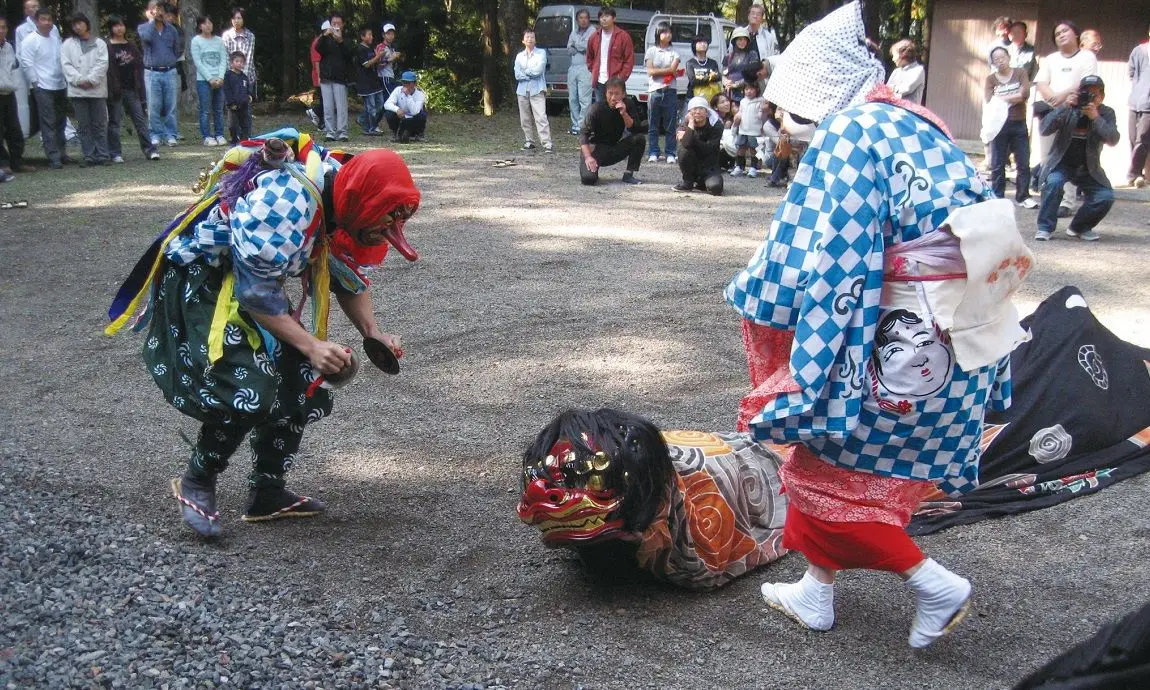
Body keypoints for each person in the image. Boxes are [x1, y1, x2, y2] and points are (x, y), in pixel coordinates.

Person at [728, 1, 1028, 649]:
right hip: (964, 317)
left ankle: (931, 582)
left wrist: (772, 301)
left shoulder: (851, 132)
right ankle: (816, 591)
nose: (800, 118)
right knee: (855, 468)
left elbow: (831, 253)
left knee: (829, 462)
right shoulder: (918, 122)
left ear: (821, 88)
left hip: (907, 327)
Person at [106, 132, 422, 537]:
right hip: (206, 280)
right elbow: (255, 295)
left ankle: (267, 492)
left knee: (298, 381)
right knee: (246, 389)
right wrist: (310, 344)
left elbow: (344, 271)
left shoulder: (345, 191)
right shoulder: (286, 207)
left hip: (254, 283)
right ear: (365, 204)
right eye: (385, 222)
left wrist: (372, 332)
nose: (389, 232)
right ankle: (197, 480)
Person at [1036, 75, 1119, 242]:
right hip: (1061, 164)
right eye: (1085, 93)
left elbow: (1113, 139)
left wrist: (1095, 117)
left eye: (1094, 95)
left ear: (1102, 97)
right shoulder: (1069, 108)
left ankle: (1078, 227)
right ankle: (1045, 228)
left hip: (1089, 167)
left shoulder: (1106, 113)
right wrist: (1064, 106)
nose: (1088, 98)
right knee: (1053, 183)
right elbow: (1044, 129)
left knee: (1105, 196)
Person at [1033, 21, 1098, 215]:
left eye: (1065, 31)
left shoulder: (1087, 57)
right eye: (1057, 33)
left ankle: (1067, 202)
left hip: (1076, 114)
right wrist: (1058, 98)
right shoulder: (1051, 59)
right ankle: (1048, 196)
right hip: (1051, 114)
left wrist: (1059, 97)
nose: (1061, 35)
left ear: (1076, 34)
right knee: (1046, 157)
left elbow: (1086, 84)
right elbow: (1042, 85)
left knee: (1068, 157)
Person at [18, 7, 69, 169]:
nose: (47, 23)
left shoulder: (55, 38)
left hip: (60, 85)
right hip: (43, 86)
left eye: (49, 20)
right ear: (37, 21)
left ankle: (62, 153)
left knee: (61, 121)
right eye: (43, 19)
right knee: (48, 122)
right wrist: (35, 83)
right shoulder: (30, 40)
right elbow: (26, 63)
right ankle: (53, 156)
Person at [985, 46, 1035, 208]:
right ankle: (997, 196)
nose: (1000, 61)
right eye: (996, 59)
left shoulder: (1020, 73)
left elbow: (1024, 94)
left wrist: (1002, 98)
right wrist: (1011, 97)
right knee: (998, 163)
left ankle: (1023, 196)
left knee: (1023, 161)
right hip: (999, 125)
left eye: (1002, 57)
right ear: (992, 62)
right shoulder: (991, 79)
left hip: (1018, 122)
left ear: (1009, 57)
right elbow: (989, 100)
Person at [106, 16, 158, 163]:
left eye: (121, 25)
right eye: (115, 26)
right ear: (111, 28)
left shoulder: (131, 45)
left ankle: (150, 150)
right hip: (116, 90)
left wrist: (140, 88)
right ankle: (115, 153)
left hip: (132, 89)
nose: (119, 28)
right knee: (115, 122)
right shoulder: (107, 46)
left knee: (140, 120)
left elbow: (138, 67)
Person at [60, 12, 109, 167]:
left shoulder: (99, 43)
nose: (77, 26)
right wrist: (79, 80)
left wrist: (91, 80)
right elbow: (66, 65)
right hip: (78, 91)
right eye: (74, 24)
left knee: (99, 124)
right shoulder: (67, 44)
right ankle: (88, 155)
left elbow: (102, 64)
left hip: (97, 89)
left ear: (86, 24)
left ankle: (102, 154)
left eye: (80, 23)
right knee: (83, 125)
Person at [578, 77, 644, 185]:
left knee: (639, 139)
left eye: (617, 94)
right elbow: (583, 135)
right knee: (588, 180)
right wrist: (588, 157)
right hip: (595, 149)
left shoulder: (629, 105)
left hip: (613, 148)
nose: (613, 98)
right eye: (610, 93)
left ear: (623, 94)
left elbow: (635, 128)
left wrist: (624, 113)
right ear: (605, 93)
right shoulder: (596, 109)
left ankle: (628, 174)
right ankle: (593, 170)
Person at [138, 1, 182, 148]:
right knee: (153, 106)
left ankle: (171, 134)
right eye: (155, 9)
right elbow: (147, 38)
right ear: (149, 11)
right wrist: (151, 21)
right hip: (152, 72)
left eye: (161, 9)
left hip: (169, 71)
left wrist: (169, 61)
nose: (159, 12)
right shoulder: (144, 28)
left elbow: (177, 50)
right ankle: (155, 134)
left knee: (171, 105)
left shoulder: (172, 30)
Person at [0, 16, 31, 181]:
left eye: (3, 27)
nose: (1, 30)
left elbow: (12, 69)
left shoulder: (9, 47)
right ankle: (3, 163)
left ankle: (17, 161)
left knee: (14, 129)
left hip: (9, 92)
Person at [673, 96, 724, 195]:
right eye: (694, 109)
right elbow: (686, 144)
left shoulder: (716, 126)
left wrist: (692, 138)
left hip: (710, 166)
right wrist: (691, 124)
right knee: (683, 149)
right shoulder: (684, 124)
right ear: (689, 113)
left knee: (715, 188)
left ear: (707, 112)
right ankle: (688, 182)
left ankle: (702, 183)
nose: (698, 112)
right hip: (692, 164)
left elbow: (708, 149)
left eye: (701, 109)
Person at [645, 23, 679, 163]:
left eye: (669, 32)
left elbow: (673, 69)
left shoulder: (674, 52)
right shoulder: (651, 50)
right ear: (658, 34)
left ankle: (670, 152)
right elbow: (650, 72)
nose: (667, 35)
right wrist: (668, 70)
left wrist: (659, 71)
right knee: (653, 123)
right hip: (654, 90)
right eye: (664, 32)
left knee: (670, 124)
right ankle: (653, 151)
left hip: (670, 90)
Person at [316, 12, 353, 142]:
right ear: (330, 25)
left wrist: (340, 40)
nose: (336, 26)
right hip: (326, 77)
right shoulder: (326, 39)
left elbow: (350, 54)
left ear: (343, 25)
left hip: (340, 78)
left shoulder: (346, 39)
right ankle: (330, 132)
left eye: (338, 23)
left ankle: (342, 132)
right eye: (334, 23)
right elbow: (317, 49)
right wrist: (324, 35)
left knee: (342, 107)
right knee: (327, 107)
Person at [191, 16, 228, 147]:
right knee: (205, 110)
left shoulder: (219, 41)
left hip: (219, 79)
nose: (208, 25)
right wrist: (210, 78)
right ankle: (207, 136)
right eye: (204, 23)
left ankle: (219, 134)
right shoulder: (196, 41)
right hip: (203, 80)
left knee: (218, 109)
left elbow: (224, 59)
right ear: (200, 26)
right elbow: (198, 62)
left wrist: (221, 77)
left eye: (210, 23)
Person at [514, 29, 553, 153]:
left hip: (537, 89)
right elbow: (517, 74)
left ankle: (547, 143)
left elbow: (539, 70)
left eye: (532, 37)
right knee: (524, 117)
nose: (529, 39)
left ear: (535, 40)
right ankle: (529, 141)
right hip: (522, 90)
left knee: (541, 116)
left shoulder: (541, 53)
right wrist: (527, 74)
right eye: (527, 37)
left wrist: (526, 72)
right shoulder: (519, 56)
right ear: (523, 40)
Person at [585, 8, 634, 104]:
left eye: (607, 16)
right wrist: (594, 71)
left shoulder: (623, 36)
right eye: (601, 17)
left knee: (617, 110)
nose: (604, 19)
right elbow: (589, 58)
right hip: (599, 82)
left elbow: (629, 59)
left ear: (614, 18)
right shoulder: (594, 37)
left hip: (616, 81)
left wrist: (621, 77)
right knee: (601, 110)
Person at [1128, 24, 1150, 188]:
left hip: (1149, 105)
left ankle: (1133, 173)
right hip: (1135, 101)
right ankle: (1137, 173)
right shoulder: (1138, 51)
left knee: (1142, 139)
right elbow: (1131, 72)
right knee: (1132, 138)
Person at [354, 27, 385, 136]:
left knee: (381, 104)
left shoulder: (371, 48)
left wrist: (381, 58)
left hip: (375, 81)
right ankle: (371, 128)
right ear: (362, 37)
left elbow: (375, 63)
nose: (371, 37)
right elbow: (366, 64)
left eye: (372, 35)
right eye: (369, 35)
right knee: (370, 106)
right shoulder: (360, 49)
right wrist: (378, 57)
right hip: (365, 83)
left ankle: (362, 119)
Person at [731, 79, 766, 177]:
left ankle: (753, 168)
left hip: (755, 130)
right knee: (741, 149)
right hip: (743, 129)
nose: (748, 91)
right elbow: (741, 112)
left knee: (753, 150)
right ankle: (739, 167)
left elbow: (762, 116)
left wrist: (761, 114)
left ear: (757, 90)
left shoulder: (760, 101)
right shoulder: (743, 101)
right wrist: (737, 116)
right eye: (746, 89)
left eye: (751, 89)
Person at [382, 70, 427, 143]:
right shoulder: (397, 90)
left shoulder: (420, 94)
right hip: (401, 116)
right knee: (389, 113)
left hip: (413, 118)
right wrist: (397, 109)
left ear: (414, 83)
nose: (405, 85)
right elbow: (387, 104)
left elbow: (415, 111)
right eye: (404, 82)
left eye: (408, 83)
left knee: (422, 115)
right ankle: (395, 133)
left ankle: (419, 134)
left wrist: (408, 96)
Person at [221, 7, 255, 99]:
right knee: (232, 107)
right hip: (231, 77)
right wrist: (232, 75)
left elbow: (249, 59)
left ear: (243, 19)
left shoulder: (250, 36)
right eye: (234, 18)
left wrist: (243, 78)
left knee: (246, 106)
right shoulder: (226, 36)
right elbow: (226, 58)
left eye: (239, 18)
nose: (236, 21)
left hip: (247, 76)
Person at [723, 27, 759, 103]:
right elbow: (723, 73)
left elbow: (753, 75)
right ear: (734, 41)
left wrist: (736, 84)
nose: (742, 42)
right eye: (739, 39)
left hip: (747, 93)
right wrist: (725, 82)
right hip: (730, 94)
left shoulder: (752, 55)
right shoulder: (728, 56)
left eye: (744, 39)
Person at [223, 51, 252, 143]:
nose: (239, 63)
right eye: (237, 61)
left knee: (245, 124)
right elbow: (227, 90)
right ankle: (234, 139)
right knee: (233, 125)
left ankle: (244, 140)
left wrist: (249, 95)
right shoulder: (228, 75)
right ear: (232, 62)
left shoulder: (244, 76)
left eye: (242, 62)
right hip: (233, 106)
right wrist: (231, 103)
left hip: (244, 105)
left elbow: (247, 88)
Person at [887, 39, 925, 105]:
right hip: (894, 109)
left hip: (909, 112)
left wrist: (893, 89)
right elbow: (886, 89)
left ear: (903, 55)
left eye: (894, 55)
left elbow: (907, 89)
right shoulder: (896, 71)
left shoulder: (918, 70)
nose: (893, 59)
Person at [685, 36, 721, 104]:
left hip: (711, 95)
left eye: (704, 42)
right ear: (694, 45)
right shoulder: (690, 63)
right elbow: (693, 81)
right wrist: (709, 76)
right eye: (699, 42)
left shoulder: (713, 62)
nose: (703, 44)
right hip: (693, 96)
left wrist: (701, 78)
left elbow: (718, 77)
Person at [306, 21, 328, 130]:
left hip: (323, 75)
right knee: (324, 100)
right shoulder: (318, 43)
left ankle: (319, 118)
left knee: (325, 100)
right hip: (319, 75)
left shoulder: (321, 41)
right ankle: (321, 121)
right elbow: (317, 61)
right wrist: (320, 76)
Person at [374, 23, 401, 101]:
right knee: (391, 100)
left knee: (389, 101)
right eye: (388, 34)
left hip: (391, 76)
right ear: (383, 35)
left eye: (392, 34)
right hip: (384, 77)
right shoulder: (380, 47)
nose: (391, 36)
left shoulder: (392, 48)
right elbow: (377, 64)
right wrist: (390, 59)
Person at [711, 92, 738, 170]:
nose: (726, 104)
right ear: (716, 107)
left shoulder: (735, 115)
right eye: (722, 102)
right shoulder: (714, 119)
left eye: (727, 101)